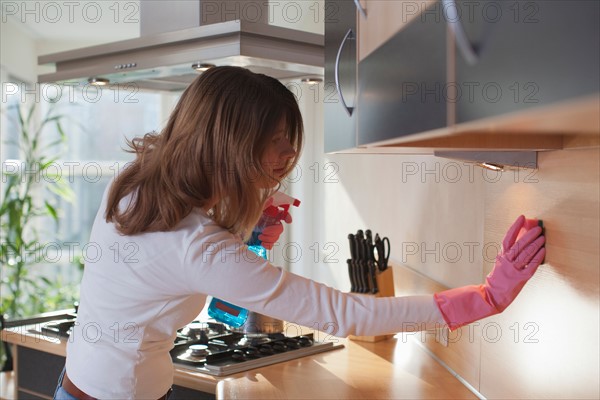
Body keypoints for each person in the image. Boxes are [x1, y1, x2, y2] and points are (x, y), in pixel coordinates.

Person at [53, 66, 546, 399]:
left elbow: (172, 260)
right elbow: (344, 313)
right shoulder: (198, 246)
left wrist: (247, 232)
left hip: (79, 383)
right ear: (231, 141)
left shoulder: (135, 182)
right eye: (277, 141)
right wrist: (486, 298)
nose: (288, 155)